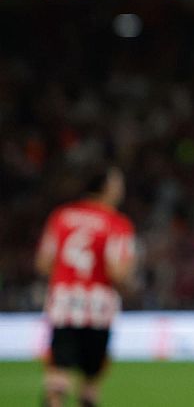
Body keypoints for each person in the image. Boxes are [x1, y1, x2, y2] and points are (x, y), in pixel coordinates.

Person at [35, 167, 137, 407]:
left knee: (58, 376)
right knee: (90, 383)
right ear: (107, 188)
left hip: (64, 304)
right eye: (118, 184)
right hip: (98, 308)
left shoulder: (61, 216)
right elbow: (117, 270)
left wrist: (67, 279)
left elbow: (43, 263)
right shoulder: (116, 223)